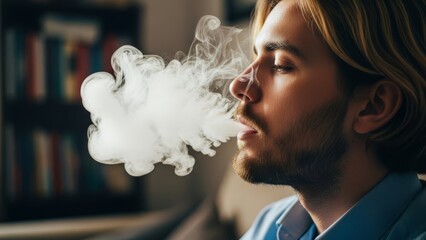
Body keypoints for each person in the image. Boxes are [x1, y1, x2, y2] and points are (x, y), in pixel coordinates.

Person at [229, 0, 426, 239]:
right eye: (256, 56)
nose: (238, 85)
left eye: (281, 65)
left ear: (374, 107)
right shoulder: (269, 226)